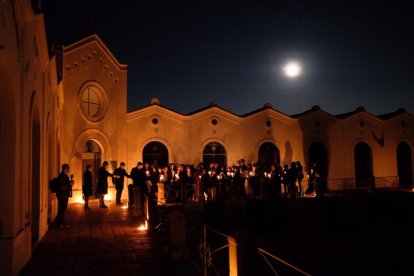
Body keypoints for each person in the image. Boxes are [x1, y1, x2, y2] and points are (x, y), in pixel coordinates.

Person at [54, 163, 74, 228]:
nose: (68, 169)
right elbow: (62, 187)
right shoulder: (62, 176)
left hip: (64, 195)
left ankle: (61, 222)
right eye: (68, 168)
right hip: (62, 195)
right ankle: (59, 223)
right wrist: (70, 184)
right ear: (66, 169)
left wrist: (70, 183)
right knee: (61, 209)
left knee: (62, 209)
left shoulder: (64, 176)